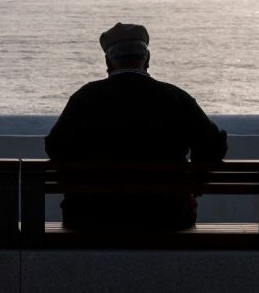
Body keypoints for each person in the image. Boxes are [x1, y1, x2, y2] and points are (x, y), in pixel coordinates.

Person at [44, 22, 227, 230]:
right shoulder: (176, 98)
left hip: (91, 215)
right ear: (147, 59)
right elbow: (214, 145)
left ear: (108, 62)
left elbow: (55, 145)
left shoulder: (85, 98)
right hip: (167, 215)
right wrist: (193, 185)